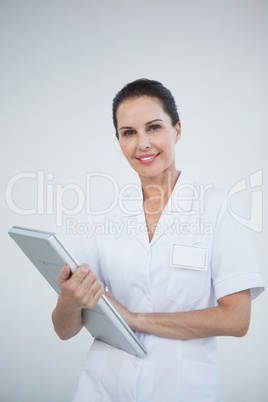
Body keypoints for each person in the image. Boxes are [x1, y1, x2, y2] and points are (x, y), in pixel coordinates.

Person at [52, 79, 265, 401]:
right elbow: (65, 331)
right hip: (102, 388)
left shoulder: (218, 207)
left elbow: (236, 319)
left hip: (182, 388)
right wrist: (68, 301)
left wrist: (135, 319)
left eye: (153, 127)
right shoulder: (102, 218)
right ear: (119, 141)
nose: (143, 144)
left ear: (177, 130)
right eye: (129, 133)